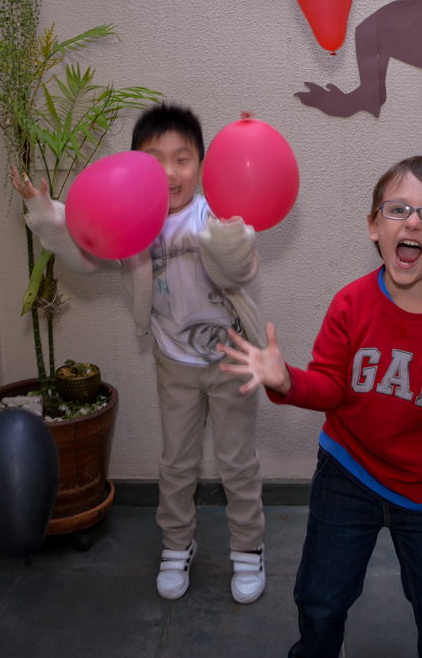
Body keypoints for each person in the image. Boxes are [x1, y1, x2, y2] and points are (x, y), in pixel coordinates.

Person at [218, 156, 422, 658]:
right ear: (375, 226)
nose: (413, 222)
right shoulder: (350, 304)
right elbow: (330, 387)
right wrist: (287, 381)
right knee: (320, 600)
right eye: (398, 209)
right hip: (347, 471)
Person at [13, 103, 268, 604]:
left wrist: (230, 237)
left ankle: (247, 549)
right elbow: (85, 249)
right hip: (174, 362)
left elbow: (243, 267)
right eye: (155, 160)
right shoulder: (133, 219)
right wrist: (45, 211)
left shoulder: (215, 213)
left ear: (201, 165)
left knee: (238, 463)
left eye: (182, 159)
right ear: (135, 167)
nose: (170, 172)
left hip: (234, 359)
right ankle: (177, 545)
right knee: (177, 463)